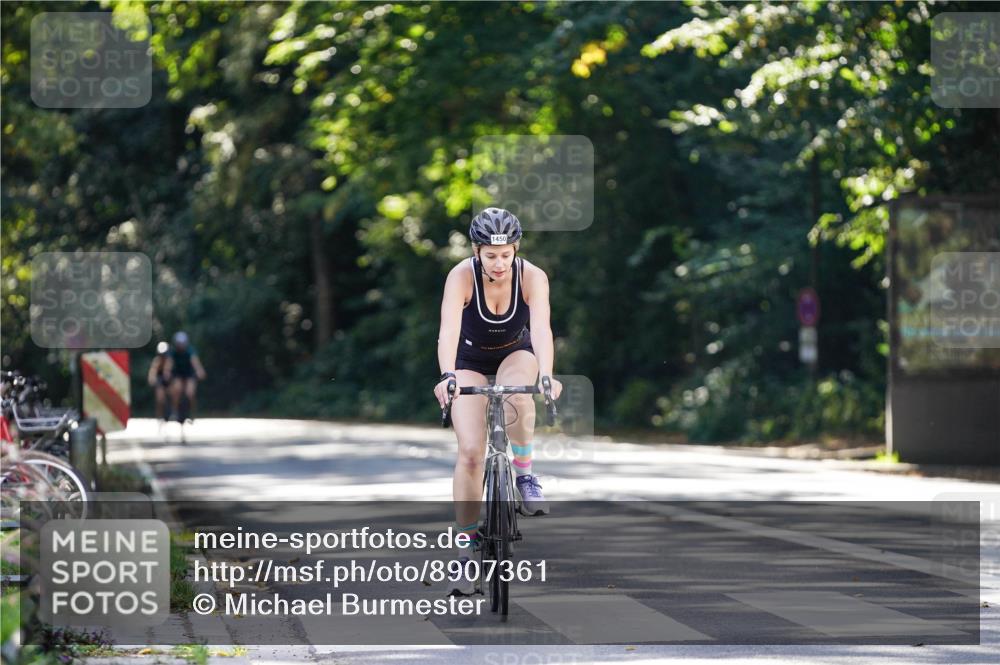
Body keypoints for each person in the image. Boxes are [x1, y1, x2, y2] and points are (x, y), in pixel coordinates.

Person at [433, 207, 563, 596]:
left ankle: (524, 475)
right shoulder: (460, 277)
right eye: (491, 255)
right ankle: (465, 551)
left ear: (515, 249)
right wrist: (448, 377)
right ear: (477, 252)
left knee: (520, 396)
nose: (500, 262)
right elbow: (448, 331)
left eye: (506, 253)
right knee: (471, 452)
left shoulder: (533, 276)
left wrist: (547, 375)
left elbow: (540, 329)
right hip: (468, 360)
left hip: (515, 353)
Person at [165, 331, 207, 422]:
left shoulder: (190, 350)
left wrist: (199, 371)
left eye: (182, 343)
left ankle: (192, 413)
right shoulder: (173, 351)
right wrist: (167, 372)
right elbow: (169, 363)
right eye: (179, 343)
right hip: (178, 374)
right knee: (176, 390)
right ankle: (175, 411)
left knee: (190, 393)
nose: (181, 345)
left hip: (189, 375)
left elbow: (195, 361)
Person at [147, 341, 171, 422]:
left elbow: (168, 371)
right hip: (161, 381)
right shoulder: (157, 360)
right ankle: (159, 416)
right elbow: (153, 371)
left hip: (170, 381)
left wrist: (167, 374)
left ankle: (175, 412)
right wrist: (152, 378)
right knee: (160, 398)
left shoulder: (170, 360)